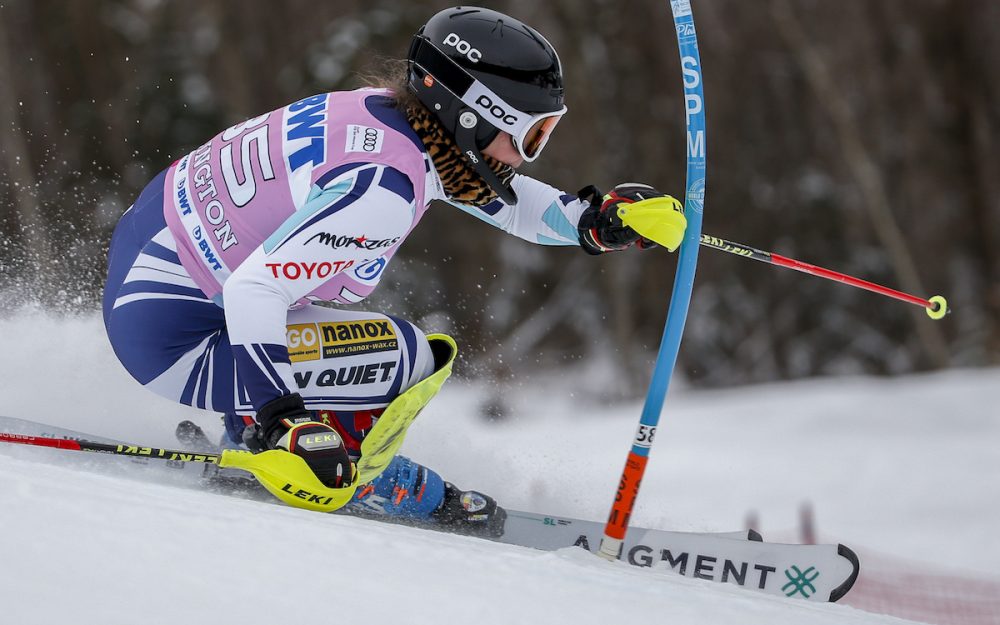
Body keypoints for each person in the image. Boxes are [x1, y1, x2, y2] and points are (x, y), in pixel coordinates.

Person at [101, 6, 683, 537]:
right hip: (177, 338)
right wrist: (284, 422)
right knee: (404, 354)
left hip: (154, 277)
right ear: (475, 119)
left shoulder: (387, 121)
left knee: (331, 322)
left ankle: (252, 425)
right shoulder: (383, 190)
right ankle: (355, 477)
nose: (533, 152)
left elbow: (505, 199)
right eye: (531, 135)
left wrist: (593, 221)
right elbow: (255, 290)